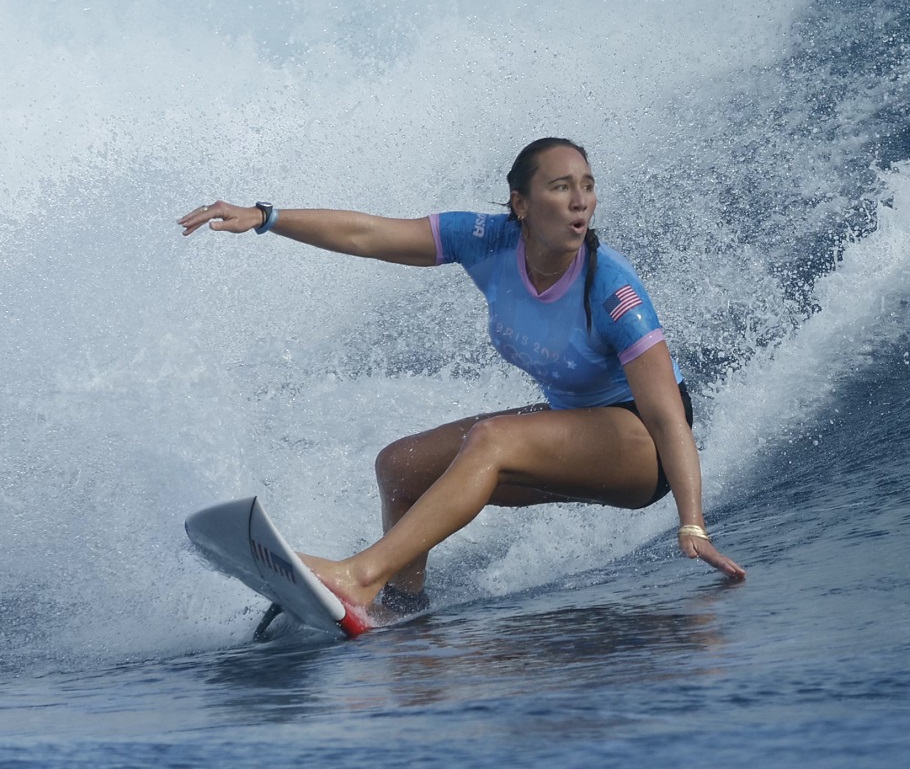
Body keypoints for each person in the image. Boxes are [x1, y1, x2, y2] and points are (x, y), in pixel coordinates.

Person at [178, 136, 745, 624]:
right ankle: (402, 603)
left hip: (638, 445)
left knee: (492, 438)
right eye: (560, 187)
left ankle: (361, 575)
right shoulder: (488, 241)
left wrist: (692, 525)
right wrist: (267, 217)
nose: (580, 202)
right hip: (574, 427)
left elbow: (669, 419)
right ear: (520, 204)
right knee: (400, 467)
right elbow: (368, 236)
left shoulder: (612, 288)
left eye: (588, 186)